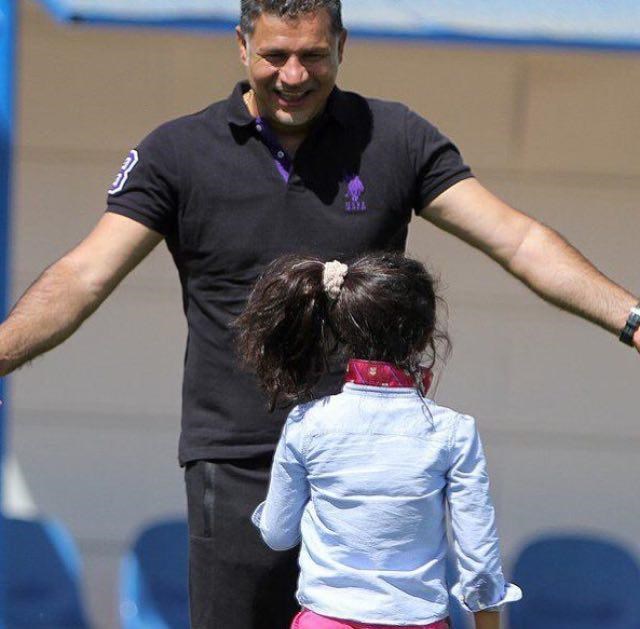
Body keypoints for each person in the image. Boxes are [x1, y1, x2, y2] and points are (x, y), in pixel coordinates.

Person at [0, 0, 637, 627]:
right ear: (242, 46)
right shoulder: (179, 152)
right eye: (275, 55)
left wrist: (631, 319)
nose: (294, 75)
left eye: (313, 55)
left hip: (373, 471)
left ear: (342, 46)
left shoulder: (394, 137)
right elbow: (83, 275)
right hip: (239, 462)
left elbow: (518, 240)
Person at [234, 251, 523, 629]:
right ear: (425, 336)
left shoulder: (308, 423)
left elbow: (277, 535)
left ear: (343, 328)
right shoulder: (454, 432)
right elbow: (479, 561)